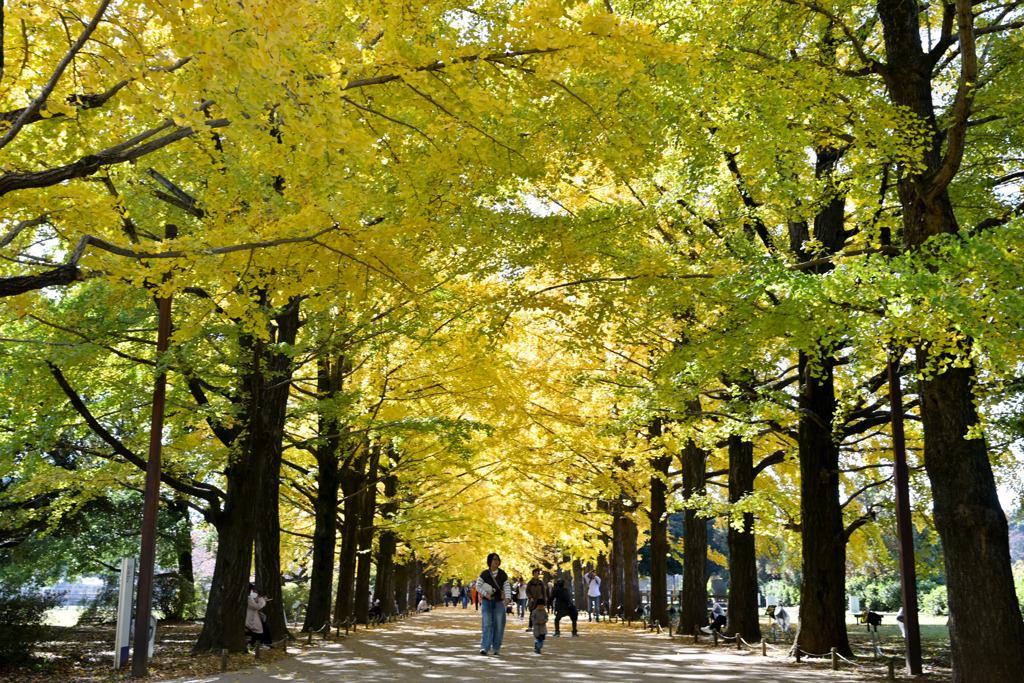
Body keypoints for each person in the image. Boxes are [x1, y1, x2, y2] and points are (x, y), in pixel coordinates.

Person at [476, 552, 512, 655]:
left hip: (499, 603)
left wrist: (508, 598)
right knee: (487, 624)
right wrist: (486, 594)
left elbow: (506, 587)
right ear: (490, 561)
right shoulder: (484, 574)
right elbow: (478, 586)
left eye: (497, 559)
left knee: (499, 625)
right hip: (487, 602)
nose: (496, 561)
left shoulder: (502, 574)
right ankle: (484, 647)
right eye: (494, 559)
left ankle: (496, 648)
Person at [245, 583, 272, 650]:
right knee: (260, 629)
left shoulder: (249, 597)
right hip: (249, 620)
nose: (254, 592)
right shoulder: (248, 597)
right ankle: (254, 644)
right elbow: (256, 606)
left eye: (256, 591)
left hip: (252, 618)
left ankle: (263, 643)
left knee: (264, 627)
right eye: (253, 591)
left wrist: (257, 601)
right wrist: (262, 601)